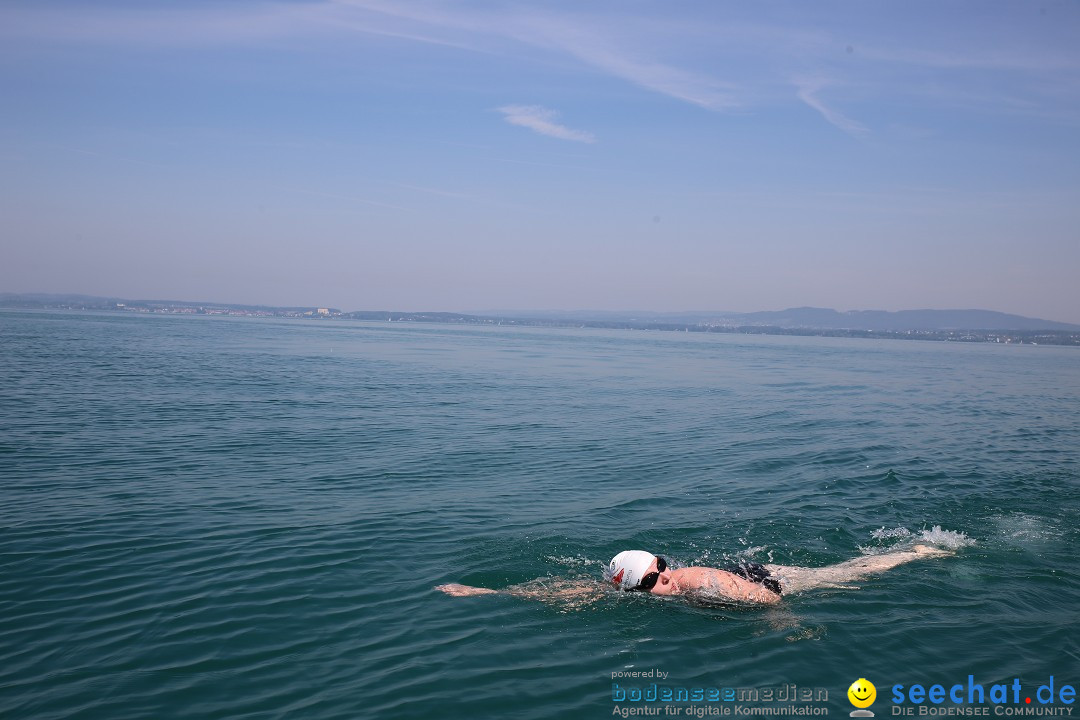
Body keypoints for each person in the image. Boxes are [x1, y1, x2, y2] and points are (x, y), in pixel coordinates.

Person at [436, 544, 952, 606]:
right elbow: (565, 593)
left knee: (843, 575)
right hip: (734, 578)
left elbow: (767, 602)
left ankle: (913, 553)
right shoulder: (648, 585)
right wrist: (485, 590)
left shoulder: (699, 581)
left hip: (756, 581)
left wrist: (781, 625)